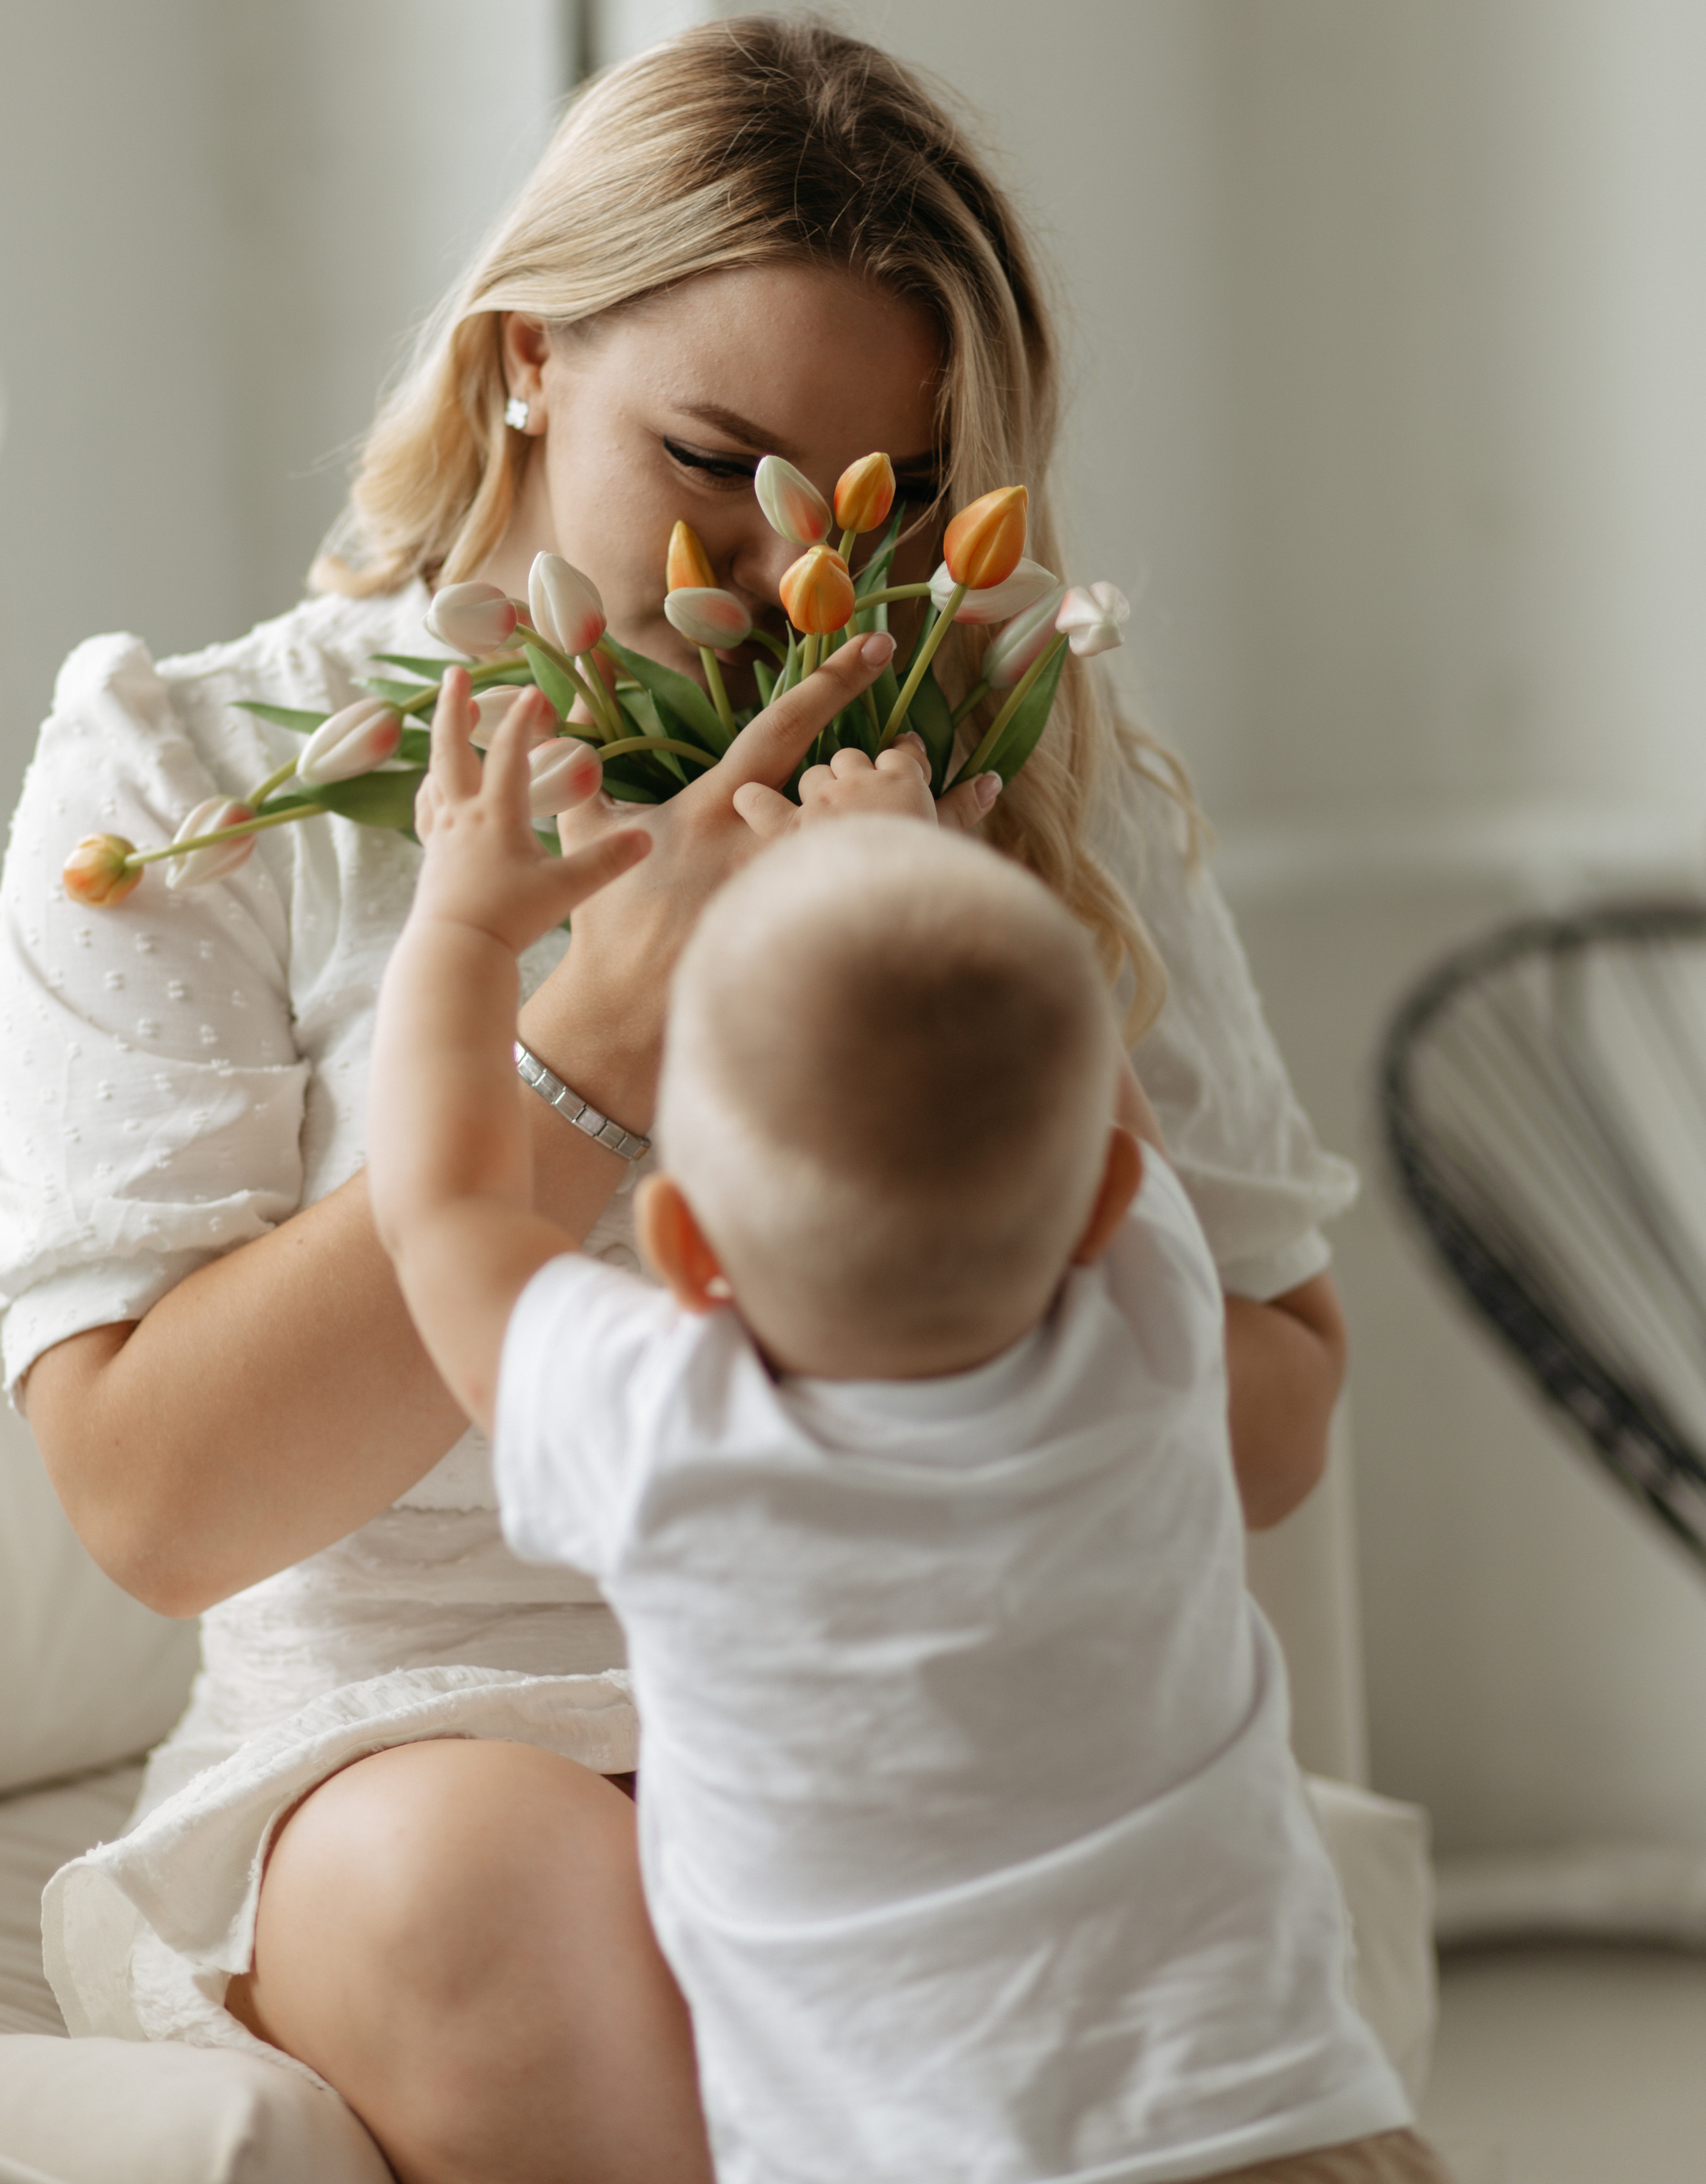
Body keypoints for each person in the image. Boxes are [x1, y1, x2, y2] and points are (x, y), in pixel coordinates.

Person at [0, 17, 1356, 2184]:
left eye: (869, 515)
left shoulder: (1005, 760)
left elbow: (1276, 1419)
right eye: (708, 464)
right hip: (419, 1742)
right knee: (518, 1905)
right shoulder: (194, 781)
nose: (762, 580)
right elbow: (156, 1503)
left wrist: (989, 1060)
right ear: (526, 358)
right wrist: (593, 1039)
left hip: (923, 1690)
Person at [367, 680, 1443, 2184]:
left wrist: (468, 930)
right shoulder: (1145, 1331)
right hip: (1281, 2123)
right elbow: (1091, 1116)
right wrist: (929, 868)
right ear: (1099, 1210)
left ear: (680, 1250)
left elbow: (445, 1214)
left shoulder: (667, 1431)